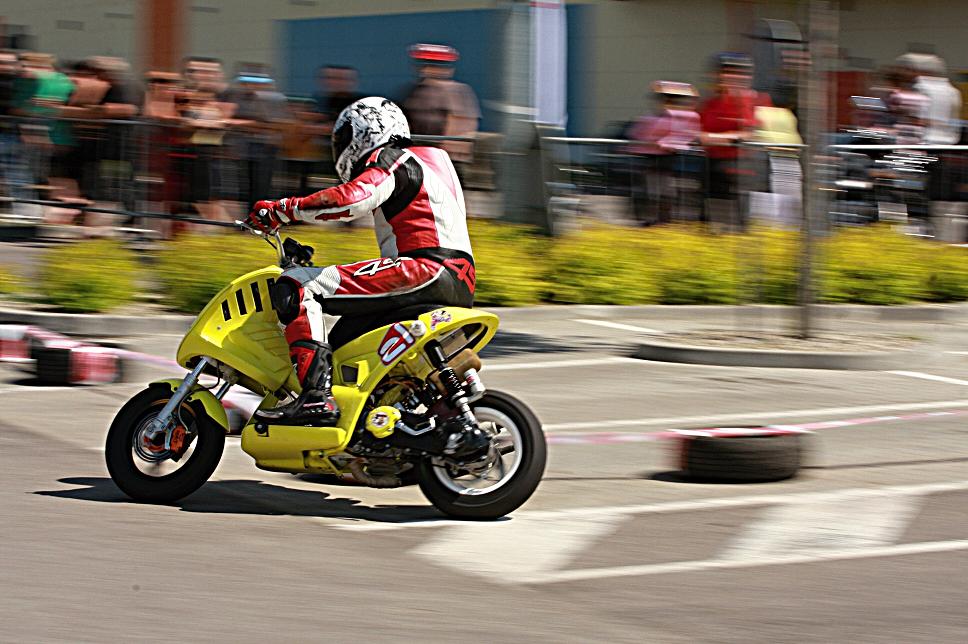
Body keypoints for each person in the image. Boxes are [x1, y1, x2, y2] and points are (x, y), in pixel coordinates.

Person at [247, 97, 475, 425]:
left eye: (344, 139)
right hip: (457, 279)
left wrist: (283, 209)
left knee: (297, 284)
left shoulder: (391, 158)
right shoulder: (434, 162)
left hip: (423, 268)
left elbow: (354, 199)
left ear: (367, 130)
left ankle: (315, 397)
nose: (340, 149)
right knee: (343, 341)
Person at [402, 44, 480, 175]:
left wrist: (445, 154)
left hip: (445, 160)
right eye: (424, 64)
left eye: (433, 64)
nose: (426, 69)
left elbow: (462, 128)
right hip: (417, 156)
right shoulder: (414, 92)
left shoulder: (457, 92)